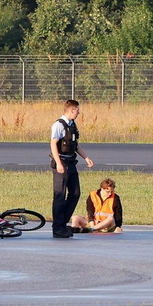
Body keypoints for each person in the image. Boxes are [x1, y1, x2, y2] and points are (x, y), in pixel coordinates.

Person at [50, 99, 94, 238]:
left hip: (71, 163)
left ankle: (63, 223)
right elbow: (53, 144)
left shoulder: (72, 125)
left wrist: (86, 157)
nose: (79, 112)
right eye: (77, 110)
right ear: (71, 110)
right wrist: (58, 163)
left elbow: (75, 145)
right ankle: (57, 228)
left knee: (75, 193)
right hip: (61, 162)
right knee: (60, 196)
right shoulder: (59, 125)